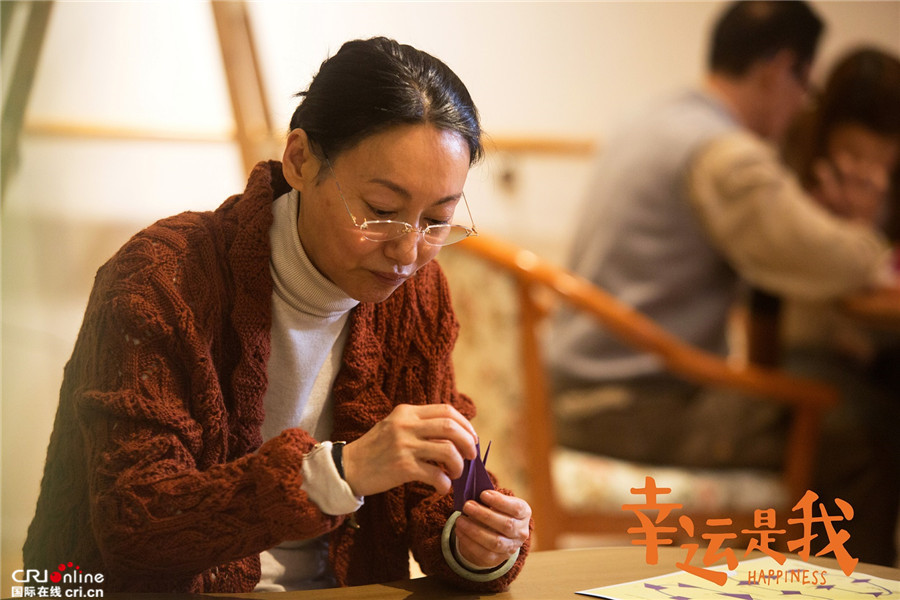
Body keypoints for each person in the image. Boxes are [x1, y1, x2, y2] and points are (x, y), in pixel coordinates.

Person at [23, 37, 531, 593]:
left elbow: (426, 497)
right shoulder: (162, 278)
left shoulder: (417, 295)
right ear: (299, 160)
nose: (408, 253)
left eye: (437, 220)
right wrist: (340, 473)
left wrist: (474, 541)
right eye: (381, 212)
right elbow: (135, 524)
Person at [546, 1, 899, 566]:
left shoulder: (649, 117)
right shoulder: (724, 154)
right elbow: (830, 258)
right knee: (858, 431)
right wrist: (864, 233)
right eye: (803, 87)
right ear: (780, 68)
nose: (799, 108)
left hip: (576, 392)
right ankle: (858, 586)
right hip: (636, 406)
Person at [779, 47, 900, 464]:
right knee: (860, 437)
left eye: (881, 153)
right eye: (851, 150)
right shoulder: (794, 162)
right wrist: (854, 235)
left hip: (887, 347)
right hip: (813, 345)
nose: (864, 167)